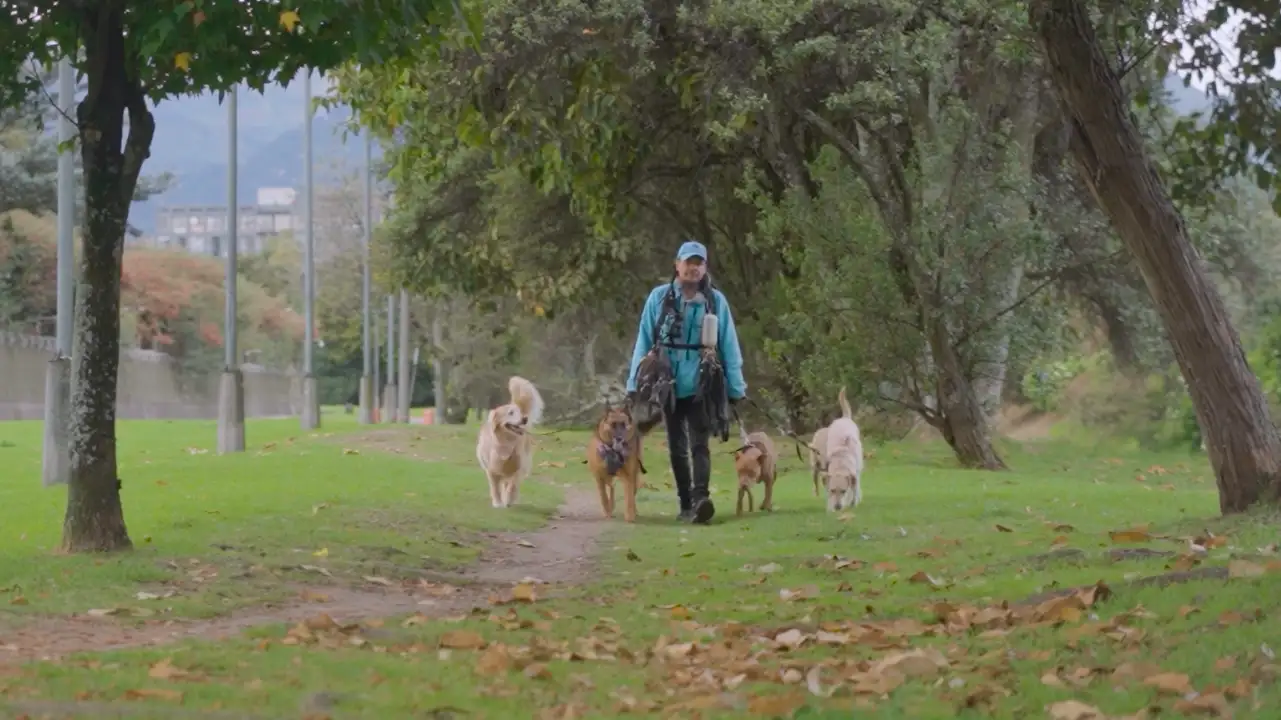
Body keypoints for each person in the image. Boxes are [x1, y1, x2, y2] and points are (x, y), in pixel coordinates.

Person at [626, 240, 747, 524]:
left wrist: (736, 386)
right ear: (677, 265)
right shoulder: (658, 298)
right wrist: (634, 382)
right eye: (688, 262)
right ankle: (685, 503)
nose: (693, 268)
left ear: (705, 268)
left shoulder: (716, 301)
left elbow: (729, 344)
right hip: (667, 383)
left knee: (700, 443)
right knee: (676, 445)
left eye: (699, 263)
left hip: (702, 381)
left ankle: (700, 499)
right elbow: (644, 339)